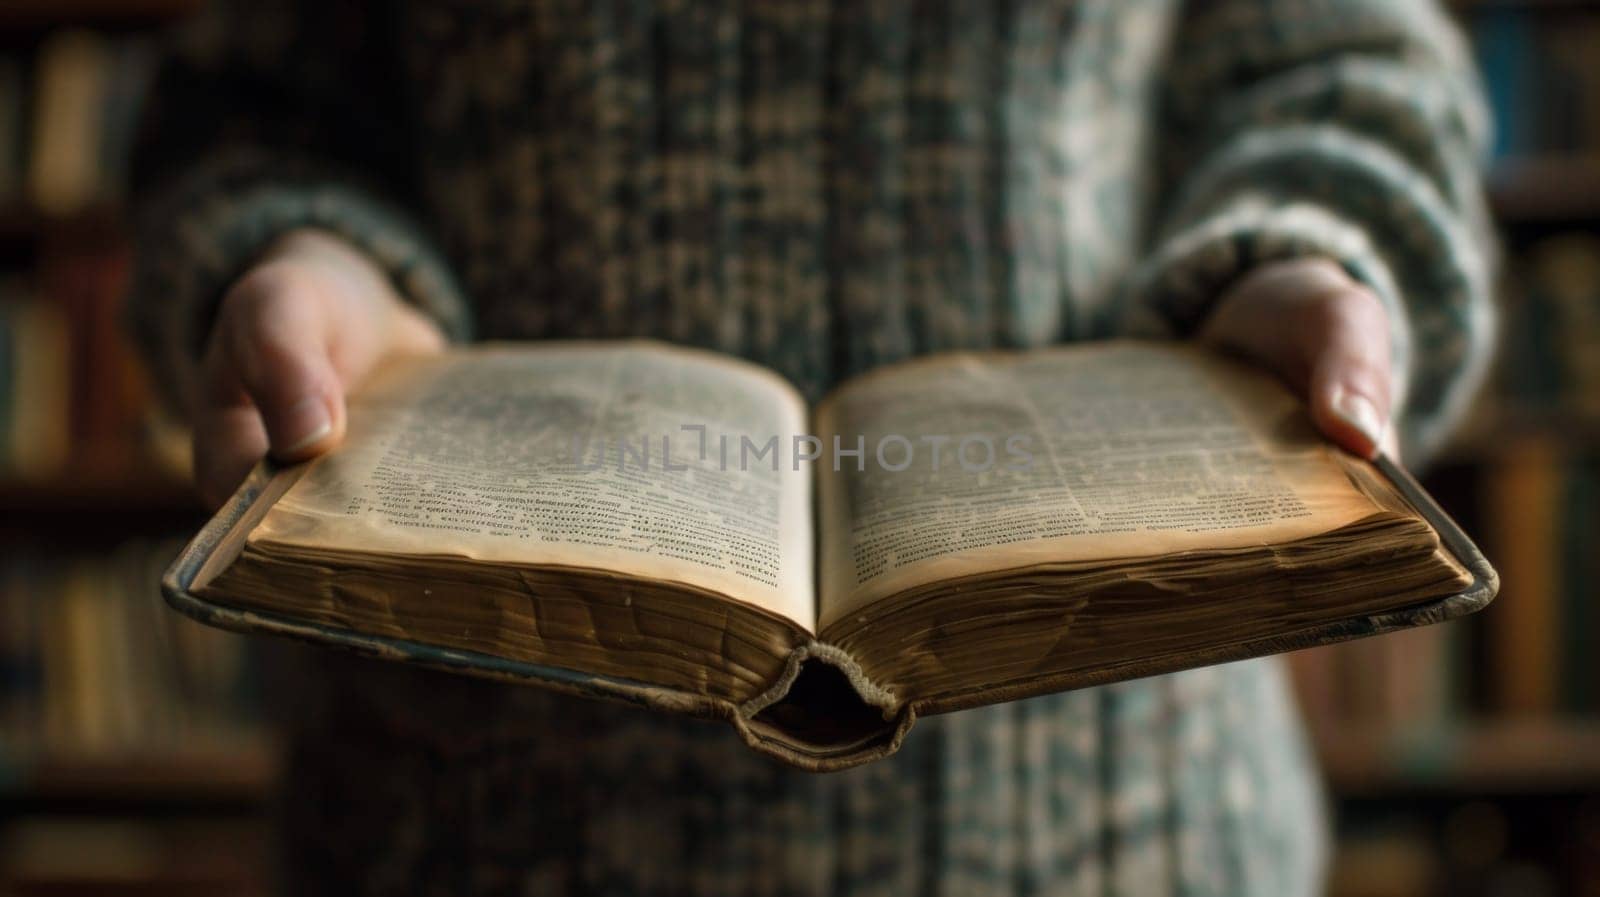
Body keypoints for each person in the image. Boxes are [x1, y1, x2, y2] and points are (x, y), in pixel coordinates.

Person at [126, 0, 1495, 893]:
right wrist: (300, 254)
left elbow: (1342, 66)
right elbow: (244, 111)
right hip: (464, 829)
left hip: (1129, 822)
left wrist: (1314, 249)